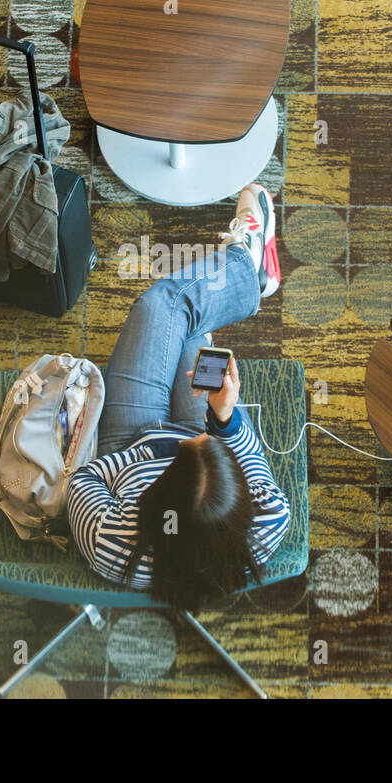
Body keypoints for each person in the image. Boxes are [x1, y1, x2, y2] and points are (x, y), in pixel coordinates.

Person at [66, 184, 290, 612]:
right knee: (189, 331)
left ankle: (246, 268)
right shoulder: (266, 521)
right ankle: (247, 273)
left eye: (193, 449)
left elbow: (83, 481)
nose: (201, 437)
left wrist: (140, 454)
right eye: (214, 452)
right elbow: (250, 464)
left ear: (154, 499)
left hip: (131, 444)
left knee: (161, 306)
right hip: (181, 433)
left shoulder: (110, 538)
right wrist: (223, 423)